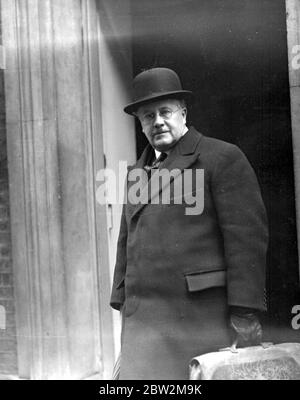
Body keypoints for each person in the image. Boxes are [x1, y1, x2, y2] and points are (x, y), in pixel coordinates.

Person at [110, 67, 268, 380]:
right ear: (140, 124)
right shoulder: (136, 173)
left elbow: (246, 240)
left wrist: (244, 309)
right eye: (147, 115)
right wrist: (121, 297)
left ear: (183, 113)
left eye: (164, 111)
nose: (157, 121)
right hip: (144, 322)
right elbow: (128, 237)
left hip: (200, 316)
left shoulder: (221, 158)